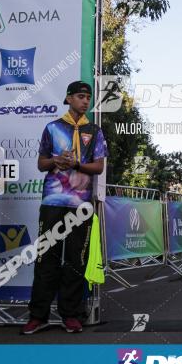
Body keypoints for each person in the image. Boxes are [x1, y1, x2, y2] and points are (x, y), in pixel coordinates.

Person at [22, 81, 107, 335]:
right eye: (80, 97)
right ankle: (39, 316)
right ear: (68, 98)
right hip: (52, 201)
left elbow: (99, 167)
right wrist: (56, 161)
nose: (85, 101)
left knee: (75, 260)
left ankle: (71, 314)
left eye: (88, 98)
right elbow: (41, 164)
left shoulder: (95, 130)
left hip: (81, 204)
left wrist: (77, 164)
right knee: (46, 258)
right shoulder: (52, 127)